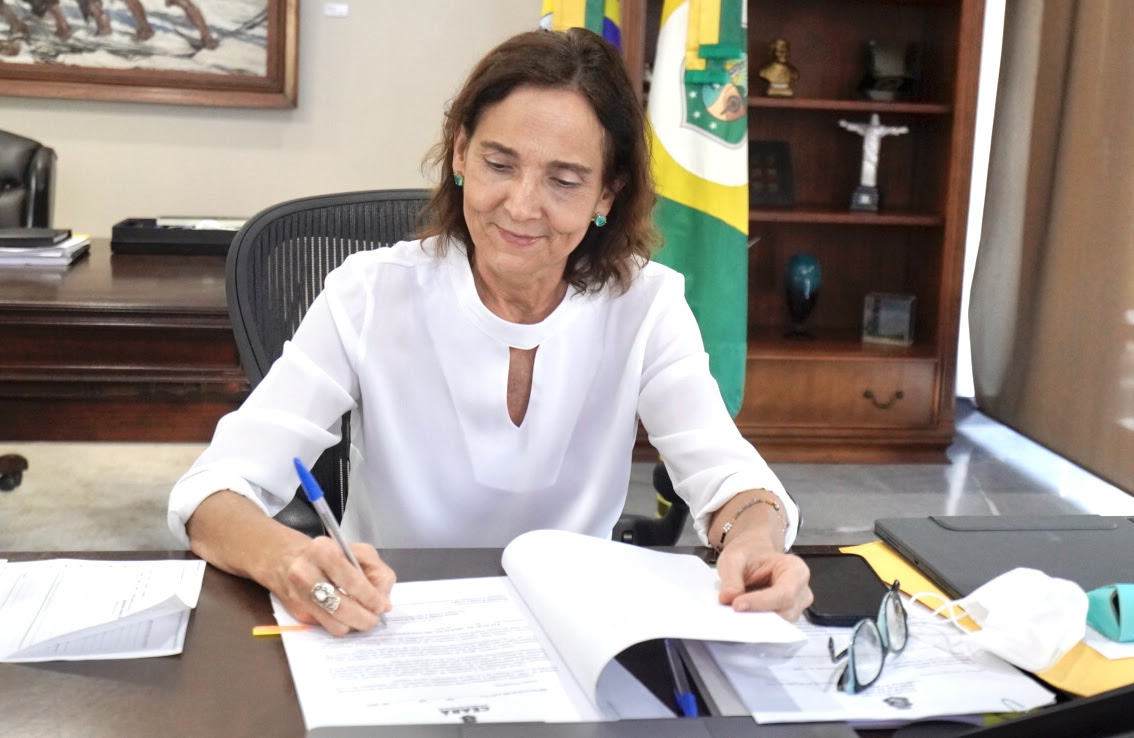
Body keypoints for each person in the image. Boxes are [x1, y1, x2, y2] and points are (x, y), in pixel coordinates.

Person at [168, 27, 812, 637]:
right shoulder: (368, 293)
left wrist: (756, 540)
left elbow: (731, 480)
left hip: (573, 629)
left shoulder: (646, 304)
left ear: (607, 195)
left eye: (564, 180)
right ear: (460, 155)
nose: (522, 206)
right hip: (386, 622)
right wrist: (289, 557)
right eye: (499, 164)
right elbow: (211, 494)